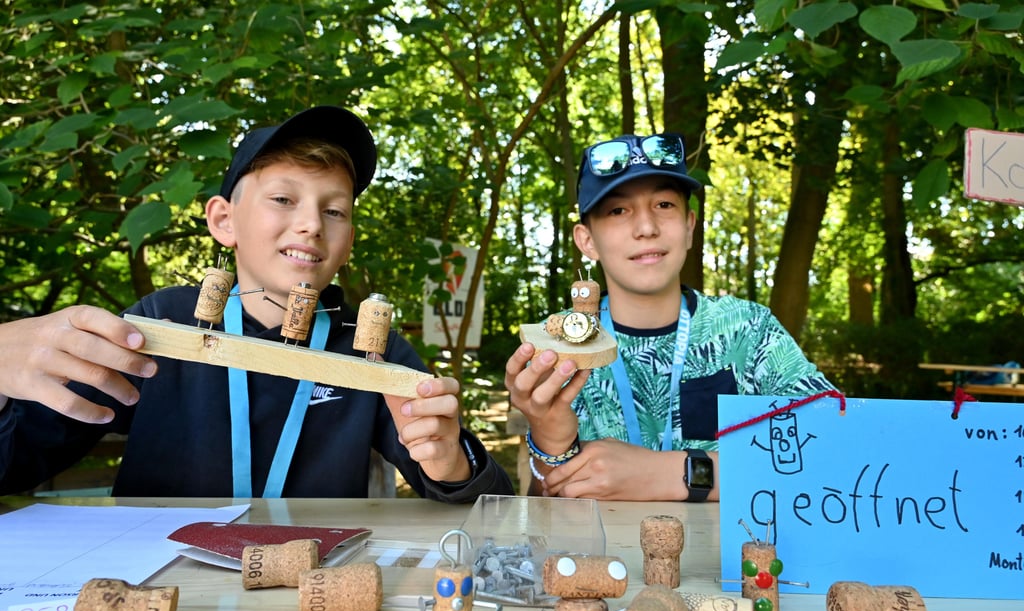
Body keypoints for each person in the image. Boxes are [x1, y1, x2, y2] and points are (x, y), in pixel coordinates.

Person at [0, 105, 513, 501]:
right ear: (224, 221)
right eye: (283, 199)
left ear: (348, 239)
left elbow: (488, 503)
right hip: (158, 588)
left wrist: (452, 464)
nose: (312, 224)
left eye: (335, 210)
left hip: (311, 594)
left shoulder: (369, 347)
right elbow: (15, 465)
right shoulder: (156, 324)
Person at [505, 132, 835, 501]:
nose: (646, 227)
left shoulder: (748, 330)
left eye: (663, 204)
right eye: (617, 210)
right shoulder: (560, 345)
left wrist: (673, 473)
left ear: (690, 226)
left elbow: (839, 451)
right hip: (599, 558)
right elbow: (544, 507)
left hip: (735, 558)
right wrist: (551, 440)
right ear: (587, 241)